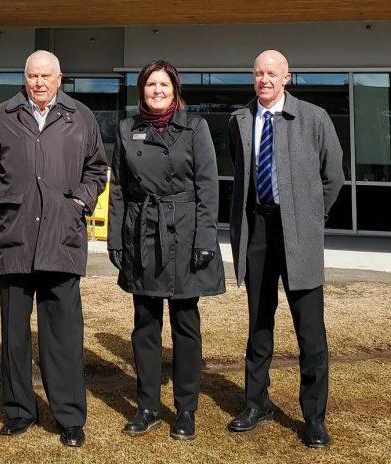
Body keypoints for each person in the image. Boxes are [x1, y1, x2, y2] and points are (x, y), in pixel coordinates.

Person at [0, 50, 107, 447]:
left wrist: (80, 202)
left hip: (61, 237)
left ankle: (69, 416)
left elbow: (97, 169)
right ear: (25, 77)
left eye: (46, 75)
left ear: (60, 77)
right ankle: (18, 410)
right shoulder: (2, 115)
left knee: (63, 334)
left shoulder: (81, 116)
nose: (39, 82)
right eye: (33, 75)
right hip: (14, 235)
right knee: (14, 333)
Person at [227, 50, 344, 448]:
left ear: (287, 78)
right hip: (257, 229)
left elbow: (334, 175)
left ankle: (314, 416)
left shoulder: (313, 118)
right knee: (259, 325)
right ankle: (256, 403)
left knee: (310, 332)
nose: (265, 79)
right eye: (258, 73)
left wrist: (310, 217)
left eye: (272, 73)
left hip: (299, 233)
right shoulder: (240, 120)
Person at [107, 60, 225, 440]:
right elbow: (120, 189)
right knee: (145, 325)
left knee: (186, 324)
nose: (157, 90)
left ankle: (186, 408)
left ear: (175, 90)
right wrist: (115, 240)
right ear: (141, 90)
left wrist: (206, 239)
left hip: (187, 232)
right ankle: (147, 407)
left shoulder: (195, 127)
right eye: (150, 85)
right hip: (141, 232)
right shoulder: (127, 130)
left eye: (164, 84)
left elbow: (208, 187)